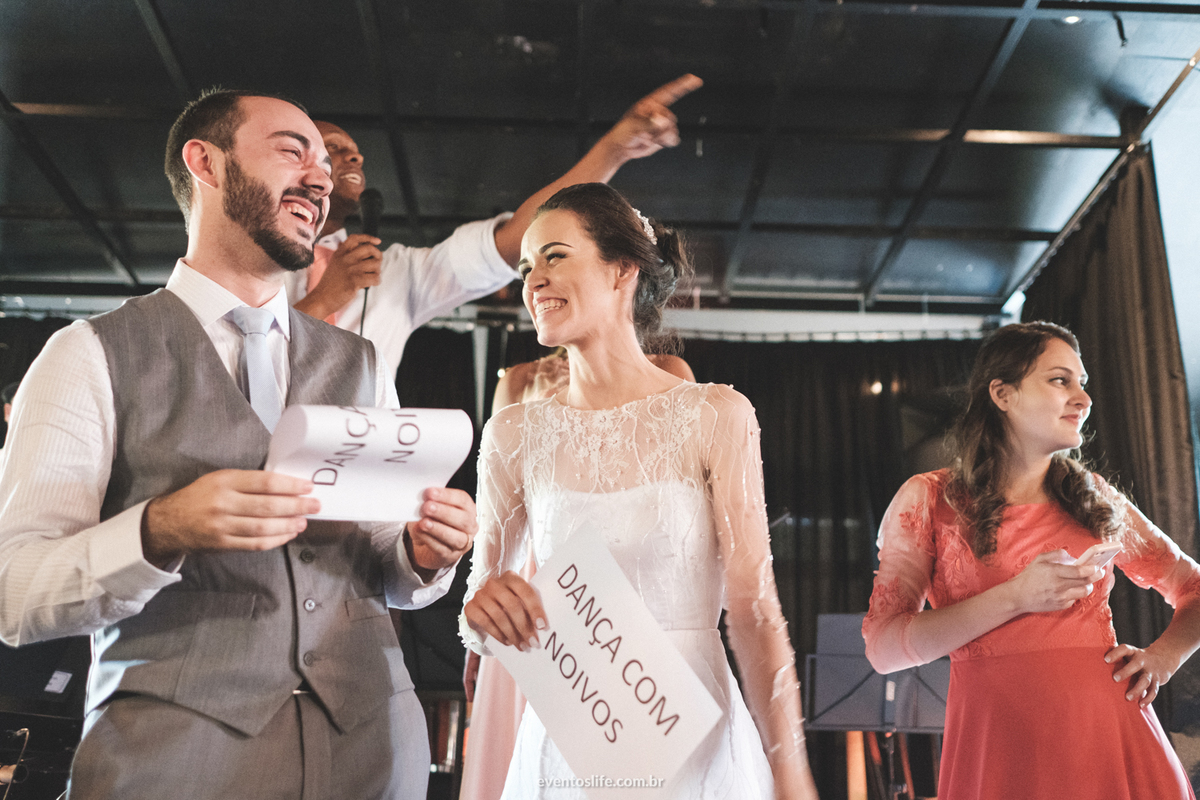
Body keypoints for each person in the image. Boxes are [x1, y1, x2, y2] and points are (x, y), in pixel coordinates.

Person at [0, 89, 476, 800]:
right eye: (293, 151)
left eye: (325, 162)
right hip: (175, 760)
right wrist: (161, 529)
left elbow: (385, 564)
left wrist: (422, 553)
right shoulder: (87, 353)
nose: (321, 178)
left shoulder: (363, 363)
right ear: (206, 163)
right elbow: (15, 592)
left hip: (373, 750)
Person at [459, 183, 819, 799]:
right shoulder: (513, 432)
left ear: (622, 267)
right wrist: (483, 613)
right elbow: (482, 603)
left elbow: (755, 607)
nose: (533, 281)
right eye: (526, 267)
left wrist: (789, 768)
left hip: (695, 734)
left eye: (555, 256)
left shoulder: (714, 414)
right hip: (571, 740)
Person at [862, 321, 1200, 800]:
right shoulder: (930, 499)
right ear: (1002, 394)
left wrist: (1163, 659)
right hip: (998, 752)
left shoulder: (1096, 499)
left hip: (1110, 744)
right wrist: (1015, 597)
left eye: (1083, 384)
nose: (1082, 398)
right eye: (1060, 380)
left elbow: (1195, 588)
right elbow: (883, 648)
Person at [284, 75, 704, 373]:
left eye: (354, 150)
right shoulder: (245, 260)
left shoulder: (396, 272)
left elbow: (517, 240)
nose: (355, 157)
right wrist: (322, 302)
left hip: (369, 481)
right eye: (332, 148)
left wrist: (614, 150)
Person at [459, 349, 695, 800]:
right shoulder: (516, 381)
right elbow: (500, 516)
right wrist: (484, 616)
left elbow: (677, 498)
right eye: (535, 273)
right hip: (539, 586)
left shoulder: (668, 371)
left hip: (627, 579)